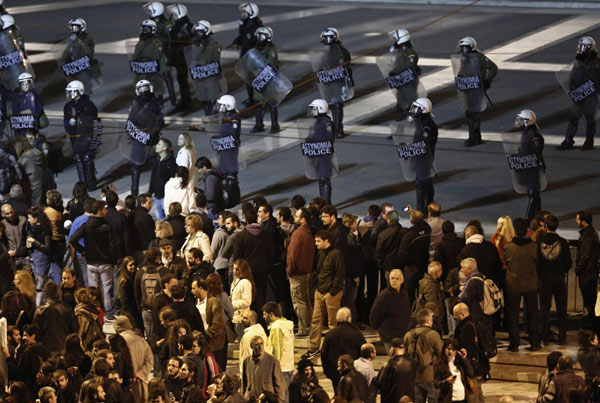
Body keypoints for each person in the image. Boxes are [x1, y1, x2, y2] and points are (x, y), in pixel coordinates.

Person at [70, 200, 117, 321]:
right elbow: (112, 246)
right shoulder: (107, 226)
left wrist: (83, 251)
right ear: (99, 211)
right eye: (104, 209)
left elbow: (73, 239)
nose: (106, 211)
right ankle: (109, 313)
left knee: (92, 289)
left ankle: (94, 311)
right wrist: (113, 261)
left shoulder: (86, 225)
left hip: (91, 262)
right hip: (105, 262)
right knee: (106, 289)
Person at [303, 230, 345, 359]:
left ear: (326, 241)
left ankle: (333, 348)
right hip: (319, 291)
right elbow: (318, 270)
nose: (315, 244)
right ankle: (314, 347)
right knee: (316, 320)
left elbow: (339, 274)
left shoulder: (336, 254)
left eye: (318, 241)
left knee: (333, 323)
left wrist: (332, 291)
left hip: (331, 293)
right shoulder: (321, 253)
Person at [503, 217, 541, 352]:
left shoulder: (508, 247)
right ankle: (535, 342)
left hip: (513, 284)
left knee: (513, 315)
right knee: (532, 314)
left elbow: (505, 262)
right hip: (531, 284)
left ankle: (514, 343)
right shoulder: (533, 247)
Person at [557, 36, 600, 151]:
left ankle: (589, 142)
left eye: (584, 47)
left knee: (590, 117)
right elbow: (574, 73)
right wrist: (571, 85)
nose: (581, 49)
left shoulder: (596, 62)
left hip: (590, 93)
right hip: (579, 92)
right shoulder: (579, 59)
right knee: (573, 116)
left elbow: (597, 78)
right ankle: (568, 140)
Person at [454, 37, 497, 147]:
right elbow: (462, 71)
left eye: (464, 47)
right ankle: (475, 137)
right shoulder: (466, 58)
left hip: (476, 87)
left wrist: (486, 81)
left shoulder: (479, 56)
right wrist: (460, 80)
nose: (462, 49)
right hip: (468, 87)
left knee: (471, 113)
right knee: (470, 113)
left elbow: (493, 68)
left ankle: (474, 138)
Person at [126, 80, 164, 197]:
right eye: (141, 89)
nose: (143, 92)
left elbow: (160, 120)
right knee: (136, 165)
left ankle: (154, 189)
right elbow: (130, 121)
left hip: (151, 138)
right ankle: (134, 191)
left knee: (155, 163)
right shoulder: (135, 105)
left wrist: (153, 132)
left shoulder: (155, 103)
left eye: (145, 89)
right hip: (139, 138)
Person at [538, 214, 572, 345]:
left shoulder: (539, 242)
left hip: (544, 278)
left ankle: (545, 337)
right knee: (561, 309)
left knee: (544, 309)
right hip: (558, 278)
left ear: (545, 226)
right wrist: (561, 271)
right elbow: (568, 263)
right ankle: (562, 337)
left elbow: (537, 262)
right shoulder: (563, 242)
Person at [63, 80, 101, 190]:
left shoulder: (89, 106)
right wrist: (70, 126)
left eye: (73, 92)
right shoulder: (68, 107)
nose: (71, 95)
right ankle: (83, 184)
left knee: (87, 158)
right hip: (76, 138)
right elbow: (65, 122)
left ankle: (91, 182)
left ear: (80, 91)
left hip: (87, 136)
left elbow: (94, 123)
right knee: (78, 159)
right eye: (69, 92)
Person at [403, 308, 443, 403]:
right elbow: (441, 352)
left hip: (414, 375)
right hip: (431, 375)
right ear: (429, 321)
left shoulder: (408, 335)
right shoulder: (433, 334)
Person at [318, 27, 352, 139]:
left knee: (337, 105)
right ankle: (335, 127)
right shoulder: (325, 51)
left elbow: (345, 66)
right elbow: (322, 64)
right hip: (329, 81)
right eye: (326, 38)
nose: (328, 40)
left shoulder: (341, 51)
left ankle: (338, 129)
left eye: (329, 37)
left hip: (338, 81)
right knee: (332, 104)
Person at [286, 207, 315, 336]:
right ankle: (309, 326)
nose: (294, 218)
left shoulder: (298, 234)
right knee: (307, 301)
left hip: (297, 273)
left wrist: (289, 270)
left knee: (299, 302)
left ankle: (304, 328)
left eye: (297, 216)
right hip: (308, 272)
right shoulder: (309, 232)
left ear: (303, 219)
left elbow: (292, 254)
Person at [514, 110, 546, 223]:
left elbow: (534, 152)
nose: (519, 122)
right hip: (529, 167)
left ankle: (528, 220)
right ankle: (539, 215)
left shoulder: (534, 136)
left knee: (533, 193)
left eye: (521, 119)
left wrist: (521, 153)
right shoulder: (528, 132)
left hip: (533, 167)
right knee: (534, 193)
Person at [302, 99, 337, 203]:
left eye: (314, 109)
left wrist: (311, 140)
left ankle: (326, 202)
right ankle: (323, 200)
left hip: (324, 155)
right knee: (321, 178)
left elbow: (327, 138)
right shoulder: (320, 122)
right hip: (319, 154)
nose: (312, 111)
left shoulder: (326, 123)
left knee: (324, 178)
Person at [452, 303, 488, 396]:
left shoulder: (467, 327)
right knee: (478, 392)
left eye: (456, 316)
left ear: (462, 315)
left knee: (473, 394)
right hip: (481, 363)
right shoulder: (477, 322)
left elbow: (467, 348)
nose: (455, 319)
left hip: (473, 366)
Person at [114, 315, 153, 401]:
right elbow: (150, 361)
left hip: (125, 385)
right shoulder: (142, 341)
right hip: (141, 383)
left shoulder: (118, 342)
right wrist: (140, 374)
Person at [33, 281, 77, 357]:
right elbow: (74, 329)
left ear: (45, 293)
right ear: (57, 292)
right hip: (63, 346)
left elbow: (36, 331)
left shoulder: (39, 311)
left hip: (45, 348)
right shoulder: (67, 309)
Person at [370, 268, 410, 350]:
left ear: (402, 280)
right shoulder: (384, 296)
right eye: (392, 278)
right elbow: (374, 316)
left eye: (397, 278)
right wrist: (382, 332)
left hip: (402, 334)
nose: (394, 281)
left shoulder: (404, 294)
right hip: (389, 336)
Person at [231, 2, 263, 106]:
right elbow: (242, 36)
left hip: (252, 56)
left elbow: (254, 41)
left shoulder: (255, 26)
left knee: (254, 78)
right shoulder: (246, 24)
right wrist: (236, 42)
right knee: (248, 78)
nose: (243, 14)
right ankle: (251, 98)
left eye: (245, 12)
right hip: (246, 54)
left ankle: (256, 99)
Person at [250, 26, 280, 134]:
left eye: (262, 36)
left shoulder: (271, 50)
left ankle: (275, 125)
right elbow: (250, 63)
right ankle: (259, 124)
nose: (260, 39)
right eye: (259, 36)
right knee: (258, 104)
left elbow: (272, 63)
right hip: (259, 80)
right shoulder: (255, 50)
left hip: (269, 80)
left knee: (272, 103)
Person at [398, 209, 431, 305]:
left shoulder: (408, 237)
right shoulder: (427, 230)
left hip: (411, 269)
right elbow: (423, 223)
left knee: (409, 294)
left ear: (411, 221)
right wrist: (413, 212)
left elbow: (401, 256)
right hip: (424, 266)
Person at [575, 210, 600, 333]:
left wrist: (578, 269)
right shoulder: (592, 233)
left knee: (589, 303)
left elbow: (585, 255)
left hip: (587, 273)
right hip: (592, 272)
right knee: (591, 301)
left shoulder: (587, 236)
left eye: (578, 219)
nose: (576, 221)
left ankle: (594, 329)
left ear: (583, 221)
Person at [240, 335, 285, 402]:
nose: (260, 347)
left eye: (261, 343)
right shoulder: (247, 361)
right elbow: (244, 383)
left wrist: (279, 400)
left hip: (267, 399)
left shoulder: (272, 361)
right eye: (257, 344)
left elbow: (279, 383)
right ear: (251, 347)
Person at [166, 4, 193, 111]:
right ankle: (185, 100)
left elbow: (192, 42)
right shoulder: (179, 25)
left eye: (173, 14)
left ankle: (187, 102)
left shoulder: (187, 26)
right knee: (181, 80)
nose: (172, 16)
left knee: (183, 80)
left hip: (184, 59)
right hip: (180, 58)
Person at [433, 338, 474, 403]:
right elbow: (436, 384)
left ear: (456, 351)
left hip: (462, 397)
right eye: (448, 349)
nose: (450, 351)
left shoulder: (459, 362)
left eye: (453, 349)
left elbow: (471, 374)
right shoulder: (439, 364)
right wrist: (446, 381)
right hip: (448, 399)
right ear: (444, 349)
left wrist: (464, 359)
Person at [377, 338, 418, 403]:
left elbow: (381, 384)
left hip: (391, 399)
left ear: (392, 349)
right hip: (409, 399)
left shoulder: (389, 364)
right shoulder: (414, 363)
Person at [11, 73, 49, 137]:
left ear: (30, 84)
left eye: (26, 84)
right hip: (22, 120)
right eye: (23, 84)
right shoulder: (18, 96)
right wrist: (20, 112)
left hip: (32, 120)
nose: (25, 86)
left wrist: (31, 111)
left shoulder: (35, 95)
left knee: (32, 134)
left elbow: (39, 108)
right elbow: (14, 107)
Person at [149, 138, 177, 221]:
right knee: (160, 220)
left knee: (168, 219)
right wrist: (150, 192)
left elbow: (173, 181)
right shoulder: (157, 161)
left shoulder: (172, 163)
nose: (156, 146)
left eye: (159, 144)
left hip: (165, 196)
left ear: (165, 148)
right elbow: (153, 178)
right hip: (156, 196)